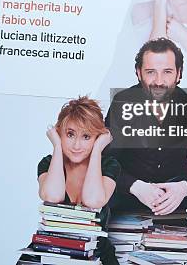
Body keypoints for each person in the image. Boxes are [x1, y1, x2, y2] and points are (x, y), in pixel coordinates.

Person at [105, 38, 187, 215]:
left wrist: (183, 188)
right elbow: (105, 161)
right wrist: (136, 187)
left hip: (176, 198)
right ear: (138, 73)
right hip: (128, 196)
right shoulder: (122, 102)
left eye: (167, 72)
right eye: (151, 72)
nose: (159, 81)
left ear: (179, 73)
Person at [38, 96, 121, 265]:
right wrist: (57, 147)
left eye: (86, 137)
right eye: (70, 134)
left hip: (97, 255)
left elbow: (93, 201)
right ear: (59, 132)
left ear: (97, 137)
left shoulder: (109, 165)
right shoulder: (48, 163)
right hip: (54, 250)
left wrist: (97, 149)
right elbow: (52, 196)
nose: (77, 145)